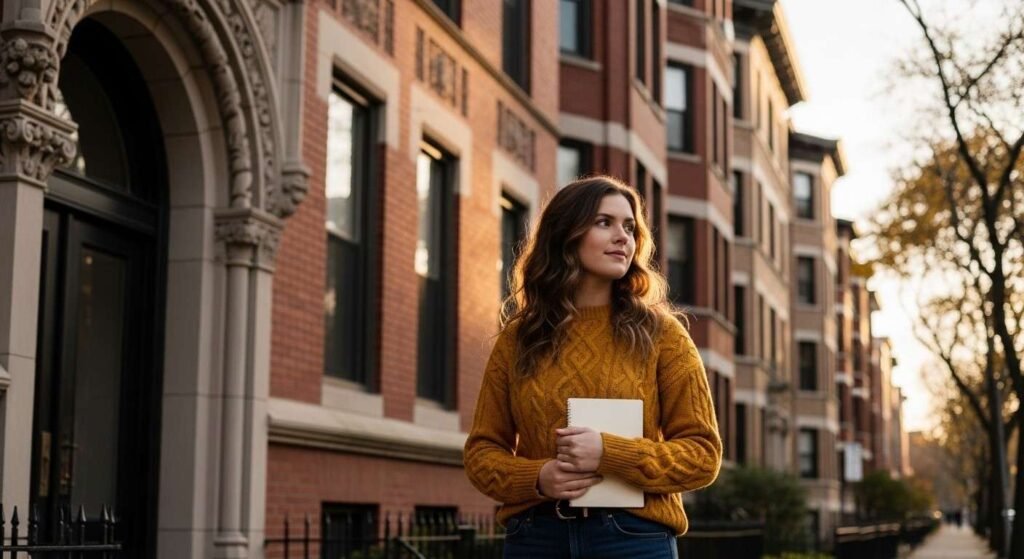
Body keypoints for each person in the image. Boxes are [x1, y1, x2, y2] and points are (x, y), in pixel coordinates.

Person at [464, 176, 723, 559]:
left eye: (629, 227)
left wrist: (609, 453)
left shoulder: (663, 335)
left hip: (632, 537)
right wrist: (538, 477)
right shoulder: (520, 339)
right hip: (536, 536)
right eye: (605, 223)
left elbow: (702, 455)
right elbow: (481, 453)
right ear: (566, 234)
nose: (623, 237)